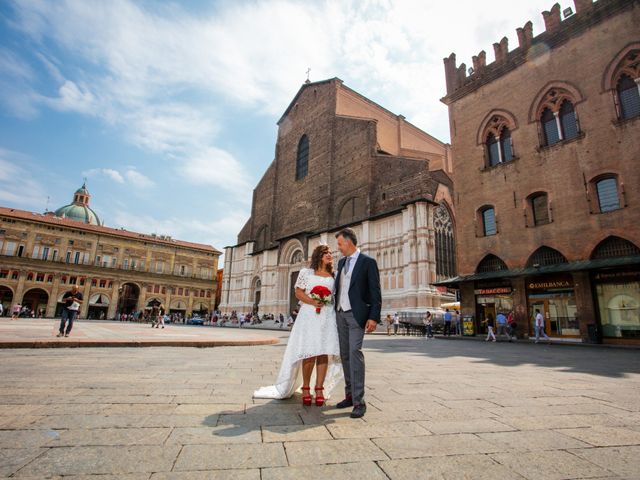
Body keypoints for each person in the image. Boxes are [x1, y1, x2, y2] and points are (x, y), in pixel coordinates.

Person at [254, 244, 342, 406]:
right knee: (308, 352)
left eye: (330, 252)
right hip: (309, 315)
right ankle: (306, 388)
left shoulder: (334, 275)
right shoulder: (306, 272)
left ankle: (319, 388)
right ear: (318, 256)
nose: (329, 255)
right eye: (325, 253)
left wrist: (325, 301)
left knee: (324, 352)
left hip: (327, 316)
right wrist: (313, 301)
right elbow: (298, 293)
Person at [334, 228, 382, 419]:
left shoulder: (367, 262)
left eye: (339, 244)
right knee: (344, 355)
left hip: (356, 315)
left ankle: (359, 401)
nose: (338, 248)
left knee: (355, 352)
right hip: (340, 313)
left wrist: (373, 317)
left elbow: (375, 291)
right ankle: (349, 395)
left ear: (348, 242)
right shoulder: (341, 262)